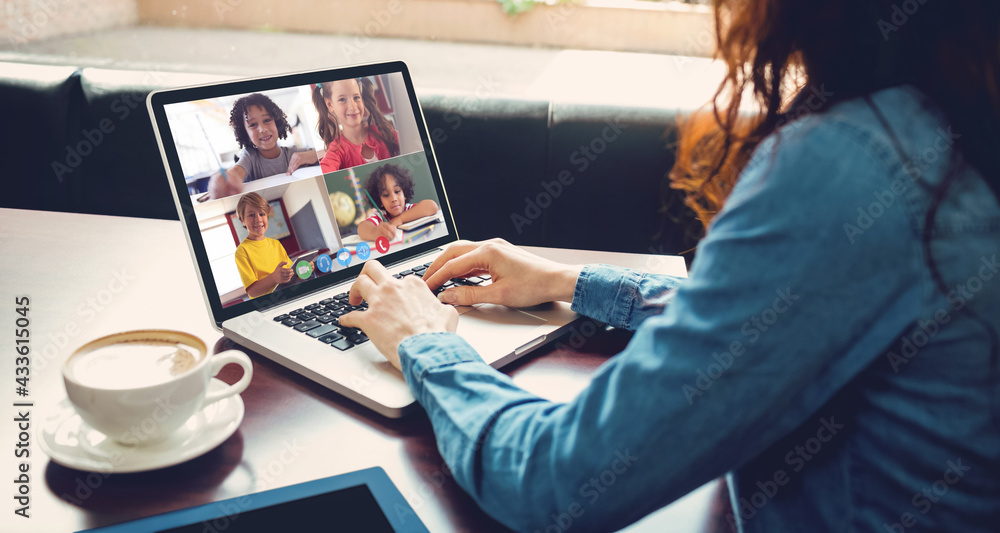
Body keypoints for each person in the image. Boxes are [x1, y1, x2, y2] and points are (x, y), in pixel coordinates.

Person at [340, 1, 1000, 531]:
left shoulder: (855, 163)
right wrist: (570, 282)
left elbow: (554, 483)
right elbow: (787, 314)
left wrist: (425, 344)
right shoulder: (957, 120)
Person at [208, 93, 319, 199]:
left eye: (267, 120)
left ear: (277, 122)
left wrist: (313, 155)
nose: (262, 129)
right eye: (253, 125)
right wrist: (225, 179)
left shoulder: (293, 154)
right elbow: (237, 172)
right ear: (245, 133)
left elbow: (329, 151)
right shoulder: (250, 157)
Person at [312, 77, 400, 173]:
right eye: (342, 99)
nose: (353, 106)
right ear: (330, 105)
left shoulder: (382, 133)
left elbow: (410, 141)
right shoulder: (336, 150)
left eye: (356, 97)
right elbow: (326, 170)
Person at [356, 163, 439, 241]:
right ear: (380, 201)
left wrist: (400, 219)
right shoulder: (381, 216)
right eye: (386, 195)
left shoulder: (409, 209)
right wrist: (375, 232)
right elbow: (361, 228)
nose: (393, 199)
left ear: (404, 193)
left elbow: (432, 206)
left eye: (397, 191)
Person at [233, 192, 294, 298]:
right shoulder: (242, 251)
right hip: (268, 304)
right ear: (242, 220)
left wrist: (302, 268)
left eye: (262, 214)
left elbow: (290, 273)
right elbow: (252, 292)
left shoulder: (276, 244)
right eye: (251, 215)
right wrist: (274, 278)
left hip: (287, 296)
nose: (258, 219)